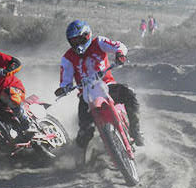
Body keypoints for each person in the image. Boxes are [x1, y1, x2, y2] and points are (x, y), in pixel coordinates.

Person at [55, 20, 144, 148]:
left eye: (80, 39)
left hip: (107, 86)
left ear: (87, 35)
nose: (78, 43)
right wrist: (64, 88)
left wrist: (120, 54)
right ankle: (79, 160)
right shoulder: (67, 58)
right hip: (86, 96)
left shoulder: (99, 42)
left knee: (130, 94)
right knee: (83, 133)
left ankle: (136, 131)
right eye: (74, 41)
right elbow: (66, 80)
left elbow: (119, 46)